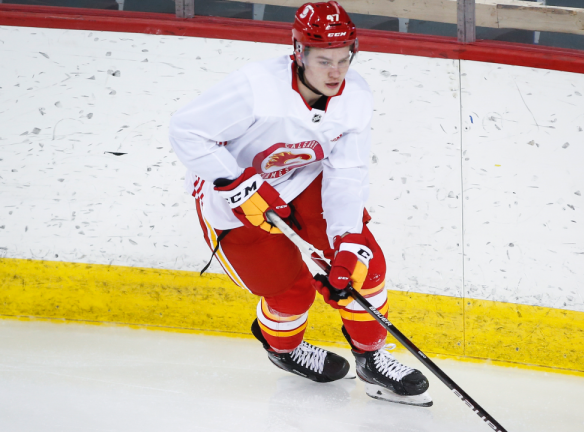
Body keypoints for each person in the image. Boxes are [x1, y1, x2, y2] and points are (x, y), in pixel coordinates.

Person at [168, 1, 431, 407]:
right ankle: (284, 348)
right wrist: (236, 182)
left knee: (362, 264)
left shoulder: (355, 94)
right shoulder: (256, 87)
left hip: (305, 181)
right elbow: (187, 130)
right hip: (233, 197)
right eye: (324, 60)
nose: (336, 73)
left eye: (344, 59)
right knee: (289, 293)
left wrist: (346, 239)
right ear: (298, 51)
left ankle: (372, 359)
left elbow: (346, 172)